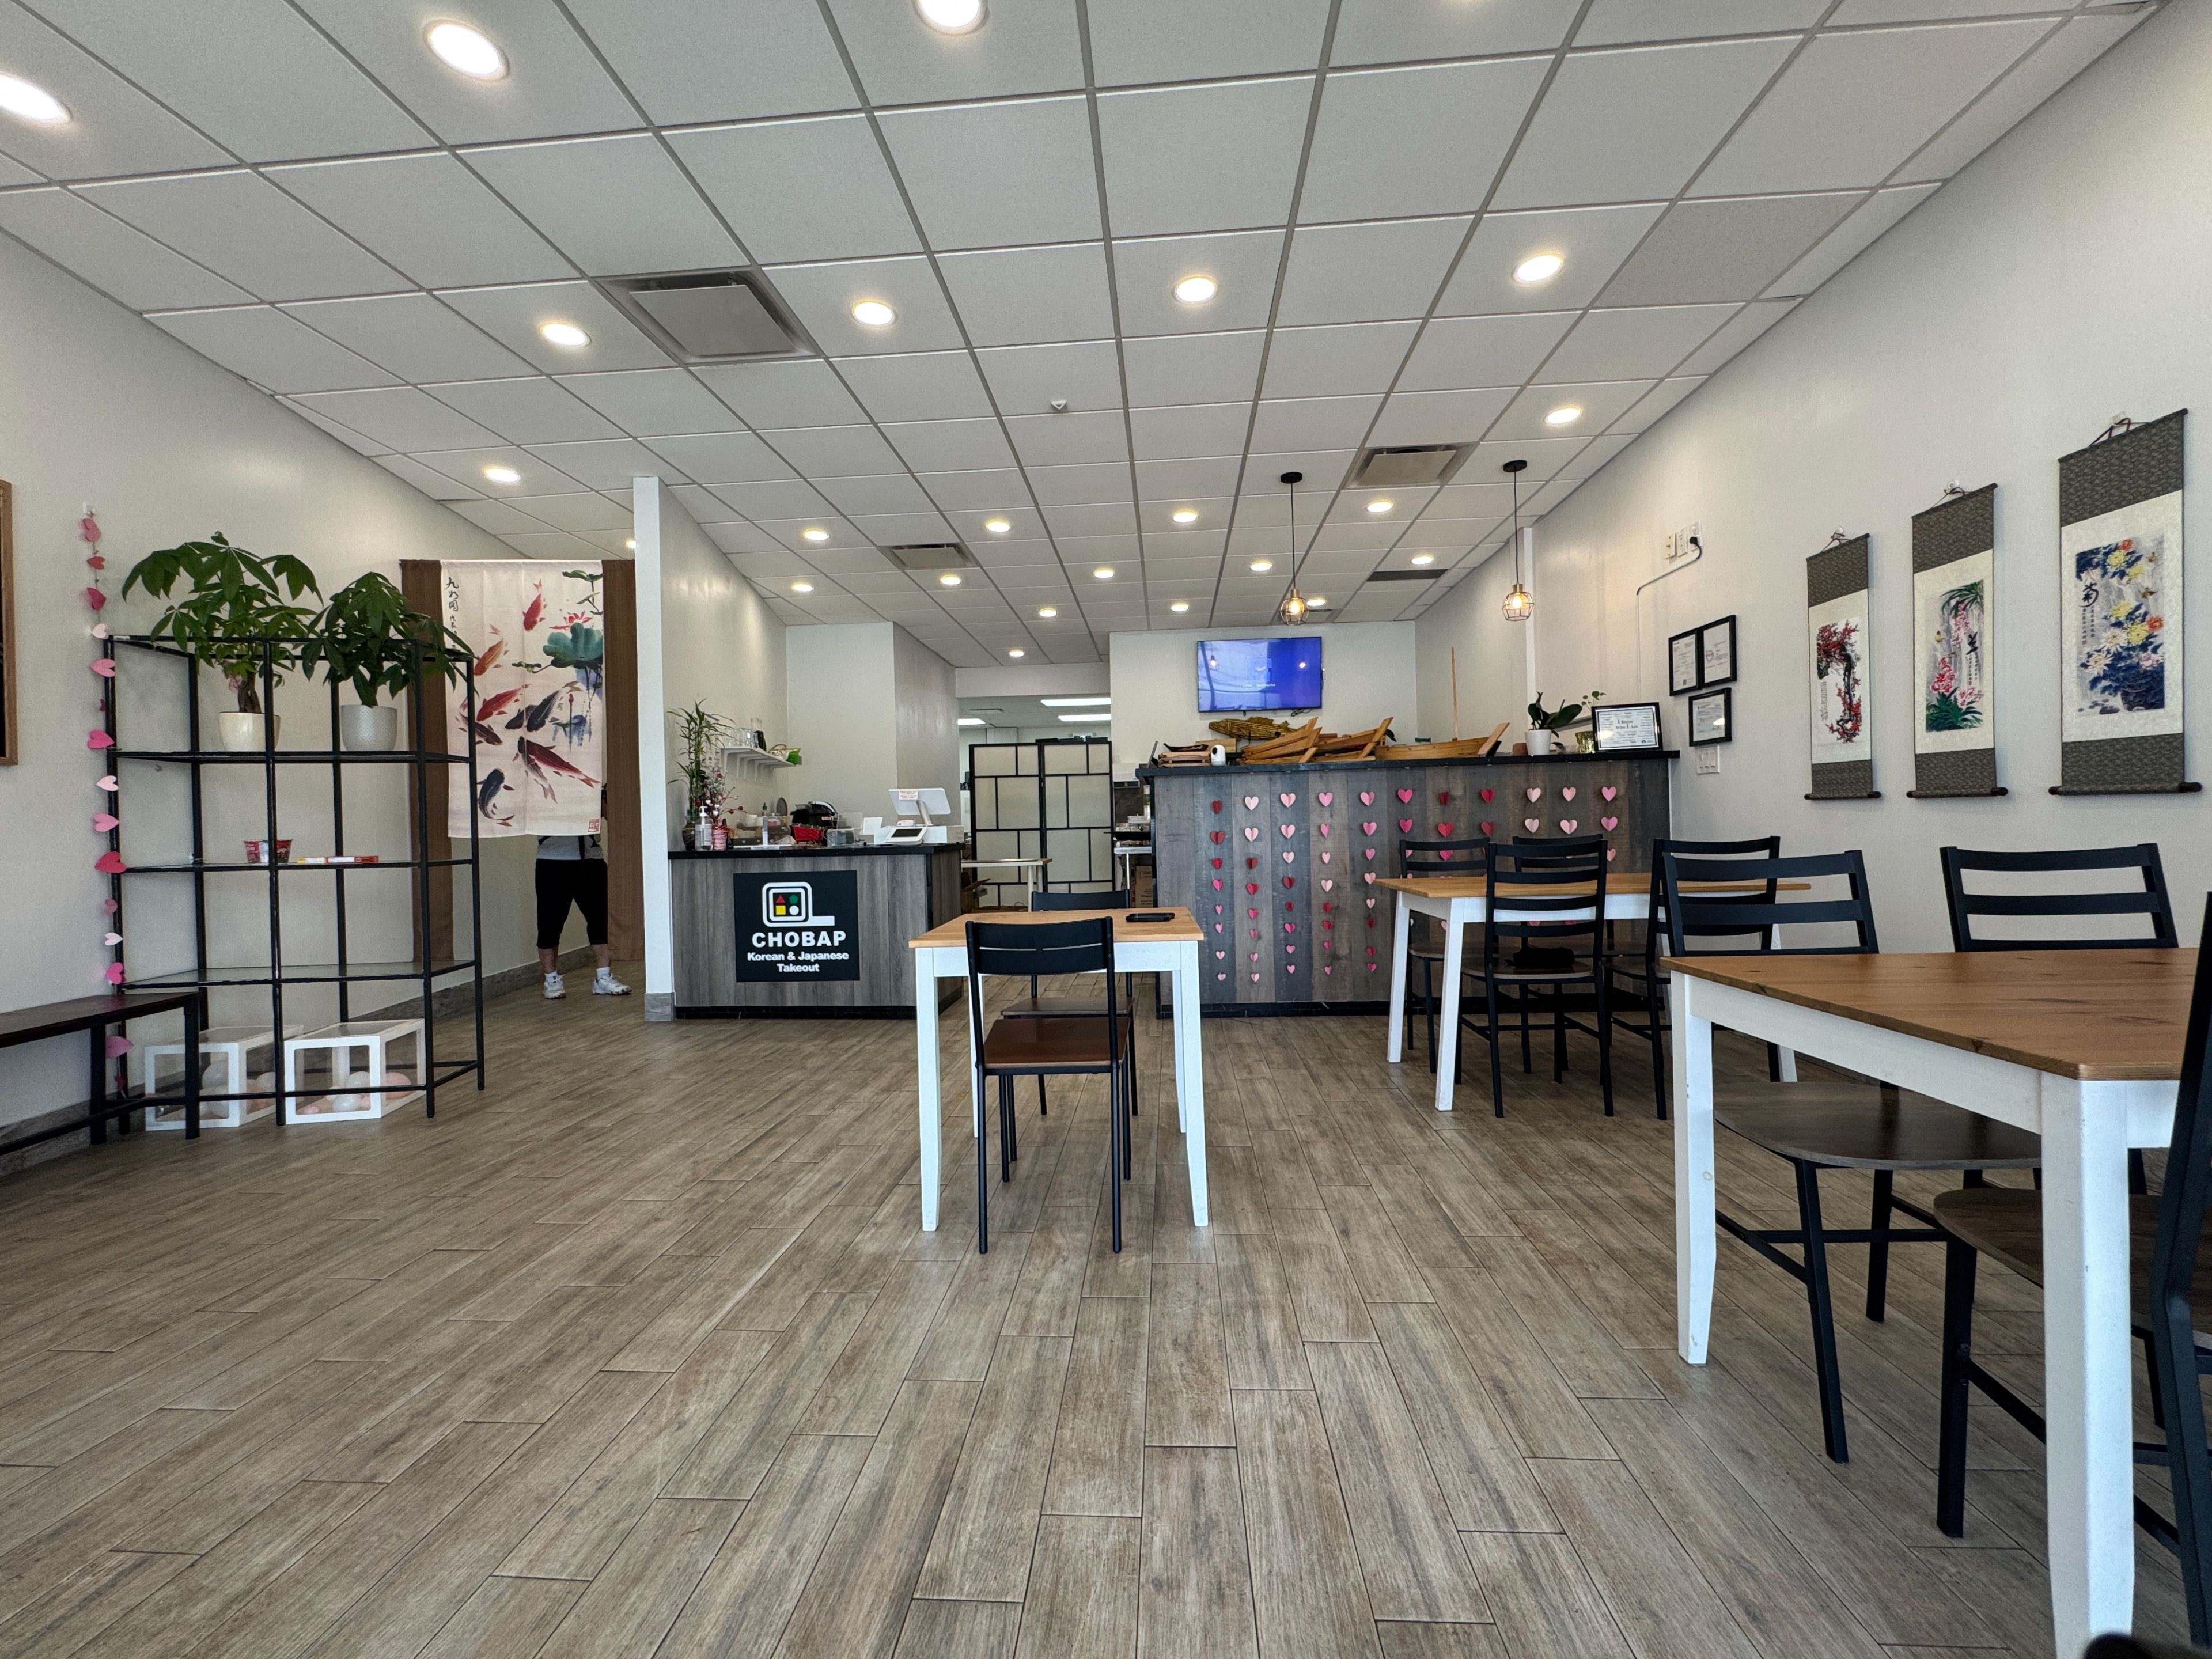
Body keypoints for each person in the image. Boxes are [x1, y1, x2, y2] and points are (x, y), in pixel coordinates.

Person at [536, 833, 628, 998]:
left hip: (591, 859)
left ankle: (603, 976)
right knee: (549, 922)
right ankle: (551, 980)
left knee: (601, 919)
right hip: (552, 859)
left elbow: (612, 818)